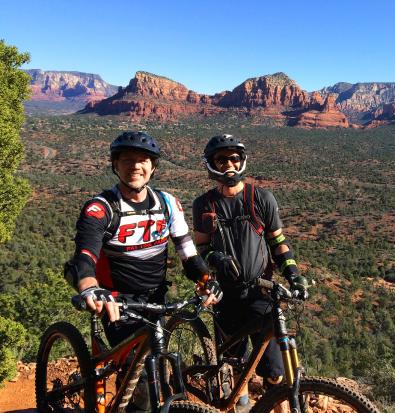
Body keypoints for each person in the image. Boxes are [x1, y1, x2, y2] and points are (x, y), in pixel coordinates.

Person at [64, 131, 222, 411]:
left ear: (153, 167)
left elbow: (187, 252)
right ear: (115, 165)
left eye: (143, 160)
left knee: (158, 368)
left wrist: (205, 278)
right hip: (116, 301)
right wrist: (90, 288)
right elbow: (85, 257)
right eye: (127, 160)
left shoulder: (167, 204)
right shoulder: (101, 208)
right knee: (142, 380)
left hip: (155, 298)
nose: (135, 166)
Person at [192, 134, 308, 412]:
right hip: (225, 295)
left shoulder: (261, 198)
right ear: (211, 164)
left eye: (234, 158)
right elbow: (201, 248)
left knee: (275, 369)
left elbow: (278, 242)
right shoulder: (204, 205)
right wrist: (215, 258)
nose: (229, 164)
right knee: (235, 364)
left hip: (261, 292)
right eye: (221, 159)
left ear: (242, 161)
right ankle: (241, 407)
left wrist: (293, 274)